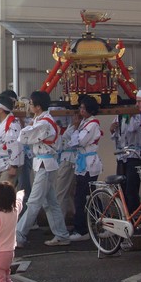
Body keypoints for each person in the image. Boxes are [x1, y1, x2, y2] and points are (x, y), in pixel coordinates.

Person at [15, 91, 72, 248]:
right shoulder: (40, 120)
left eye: (31, 104)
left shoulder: (44, 123)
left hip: (45, 165)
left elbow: (23, 137)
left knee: (34, 202)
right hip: (43, 163)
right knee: (50, 202)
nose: (29, 106)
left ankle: (19, 234)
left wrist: (25, 127)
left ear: (38, 107)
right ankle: (61, 234)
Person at [63, 96, 102, 241]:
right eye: (80, 108)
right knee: (88, 194)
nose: (81, 110)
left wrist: (75, 130)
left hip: (89, 163)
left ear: (90, 110)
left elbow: (78, 141)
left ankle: (82, 229)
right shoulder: (84, 123)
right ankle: (97, 224)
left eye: (83, 108)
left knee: (82, 196)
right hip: (83, 162)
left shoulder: (92, 124)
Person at [111, 110, 141, 214]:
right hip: (122, 156)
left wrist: (131, 115)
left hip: (135, 155)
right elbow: (116, 136)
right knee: (122, 186)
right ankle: (125, 214)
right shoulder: (119, 116)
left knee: (132, 188)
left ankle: (134, 213)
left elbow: (132, 128)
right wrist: (112, 129)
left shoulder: (138, 116)